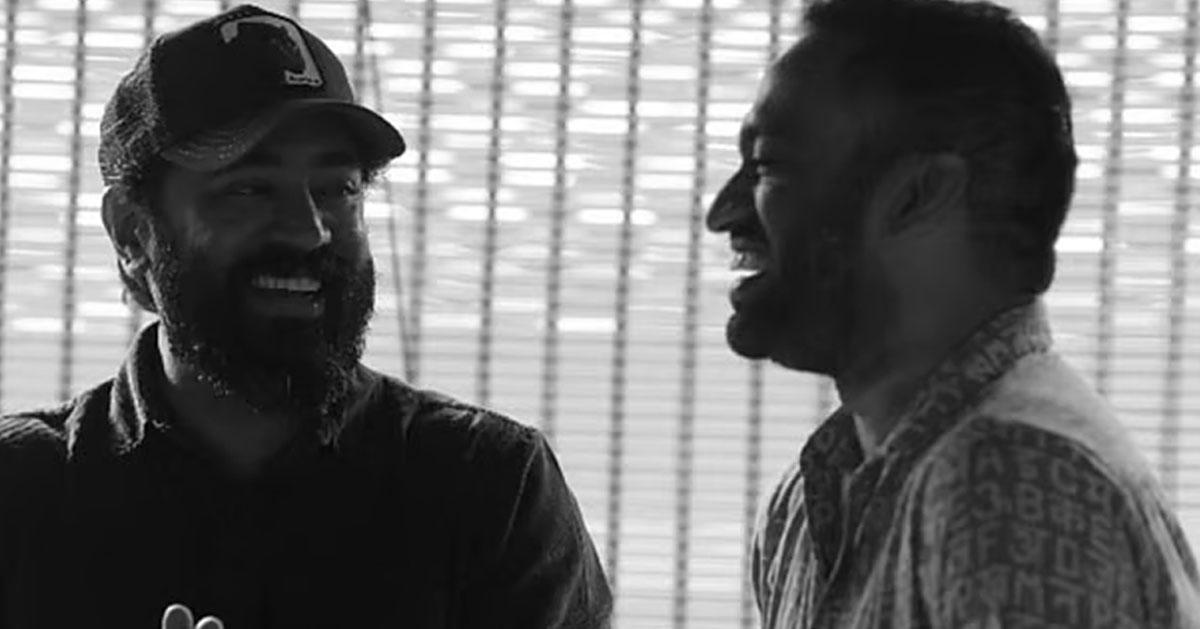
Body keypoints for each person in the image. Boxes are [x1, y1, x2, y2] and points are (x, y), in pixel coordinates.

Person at [0, 5, 611, 628]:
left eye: (337, 189)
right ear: (133, 233)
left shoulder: (490, 489)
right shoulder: (19, 491)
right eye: (249, 189)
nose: (307, 230)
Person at [706, 0, 1200, 627]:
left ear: (919, 194)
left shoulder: (1015, 488)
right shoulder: (803, 508)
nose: (723, 213)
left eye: (770, 166)